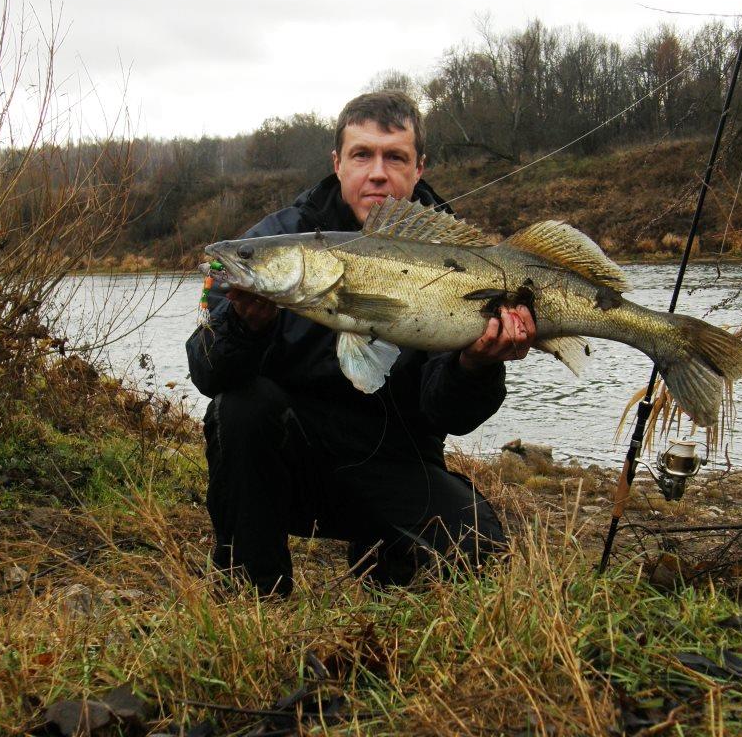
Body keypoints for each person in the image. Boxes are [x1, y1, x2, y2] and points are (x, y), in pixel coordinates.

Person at [185, 90, 536, 596]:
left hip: (397, 462)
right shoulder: (271, 244)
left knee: (480, 554)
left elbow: (449, 415)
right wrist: (245, 326)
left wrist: (474, 365)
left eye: (395, 157)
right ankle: (254, 592)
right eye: (362, 154)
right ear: (337, 162)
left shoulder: (456, 256)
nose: (377, 172)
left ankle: (382, 560)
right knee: (240, 406)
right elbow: (206, 373)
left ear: (419, 168)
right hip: (291, 468)